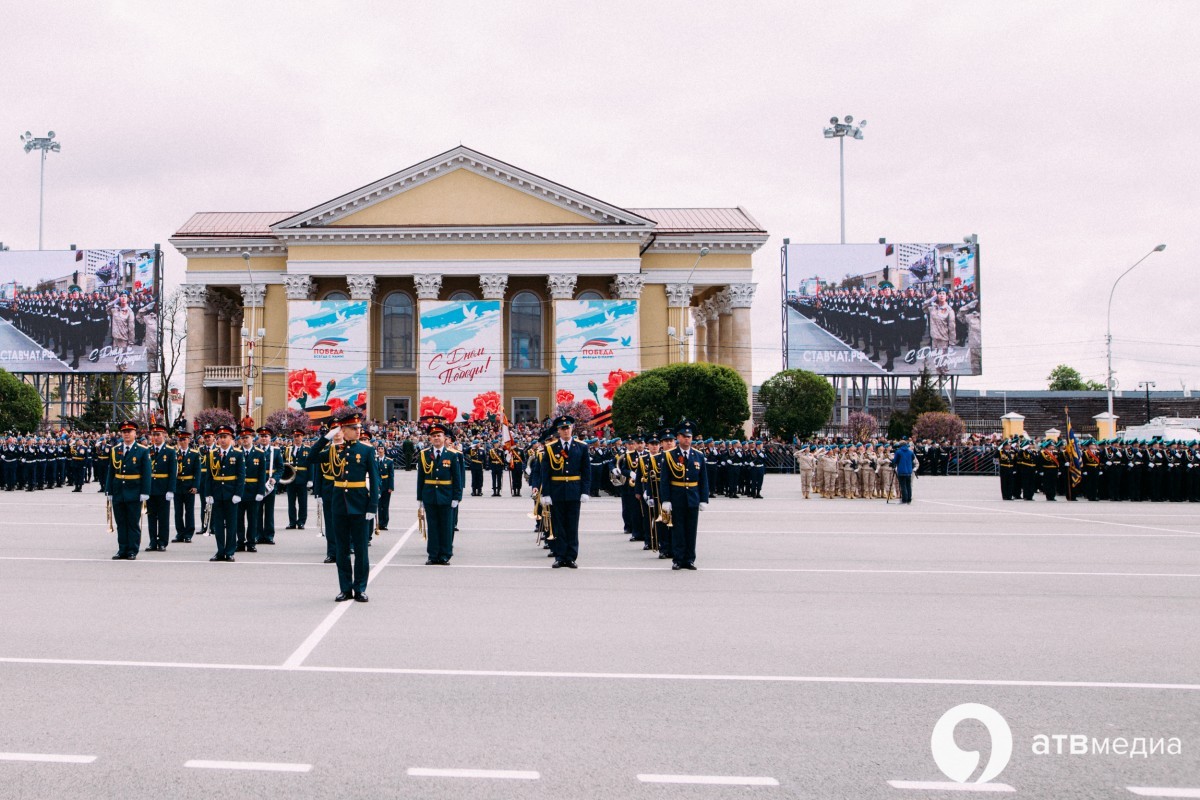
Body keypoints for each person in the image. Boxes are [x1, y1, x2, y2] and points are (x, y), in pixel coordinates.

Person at [308, 413, 379, 602]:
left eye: (358, 428)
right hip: (339, 504)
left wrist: (373, 506)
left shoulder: (366, 450)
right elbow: (310, 457)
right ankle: (345, 588)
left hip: (360, 504)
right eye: (354, 428)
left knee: (361, 549)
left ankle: (360, 588)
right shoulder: (333, 450)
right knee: (342, 549)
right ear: (343, 430)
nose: (358, 431)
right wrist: (326, 438)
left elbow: (374, 478)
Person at [540, 415, 591, 568]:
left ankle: (571, 556)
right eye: (563, 428)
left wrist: (585, 491)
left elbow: (586, 471)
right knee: (558, 525)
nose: (566, 430)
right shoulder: (551, 448)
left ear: (572, 428)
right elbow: (546, 473)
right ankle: (560, 556)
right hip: (557, 490)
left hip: (574, 490)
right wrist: (546, 493)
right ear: (558, 431)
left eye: (568, 427)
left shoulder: (581, 447)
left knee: (572, 525)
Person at [658, 419, 709, 570]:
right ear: (678, 438)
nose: (687, 439)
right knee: (677, 529)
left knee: (691, 530)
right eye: (684, 436)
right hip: (677, 496)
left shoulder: (698, 455)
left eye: (689, 436)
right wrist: (666, 499)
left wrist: (703, 499)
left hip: (693, 497)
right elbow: (664, 480)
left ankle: (690, 559)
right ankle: (678, 559)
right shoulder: (669, 455)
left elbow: (703, 479)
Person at [417, 421, 462, 565]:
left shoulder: (452, 455)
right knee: (433, 526)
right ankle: (433, 555)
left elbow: (457, 478)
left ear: (444, 438)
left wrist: (457, 496)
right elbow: (421, 478)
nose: (436, 438)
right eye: (433, 436)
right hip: (430, 494)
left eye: (439, 435)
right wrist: (420, 498)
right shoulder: (424, 455)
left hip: (446, 495)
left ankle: (445, 554)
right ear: (430, 439)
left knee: (446, 526)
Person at [105, 420, 152, 560]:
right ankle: (122, 549)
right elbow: (111, 472)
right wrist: (109, 490)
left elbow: (146, 473)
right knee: (121, 522)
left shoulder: (142, 451)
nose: (126, 434)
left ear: (135, 433)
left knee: (132, 523)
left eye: (129, 432)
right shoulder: (115, 450)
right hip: (119, 490)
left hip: (134, 490)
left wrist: (145, 492)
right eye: (124, 432)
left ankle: (132, 550)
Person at [201, 424, 246, 561]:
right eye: (220, 437)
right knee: (218, 525)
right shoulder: (212, 454)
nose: (223, 440)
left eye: (225, 437)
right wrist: (208, 494)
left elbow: (241, 475)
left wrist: (238, 494)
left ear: (231, 438)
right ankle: (220, 551)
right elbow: (209, 476)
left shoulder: (237, 453)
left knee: (232, 525)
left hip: (231, 494)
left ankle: (230, 551)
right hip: (217, 493)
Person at [144, 421, 177, 552]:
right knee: (151, 516)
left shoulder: (170, 451)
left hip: (163, 489)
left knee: (163, 517)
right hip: (151, 488)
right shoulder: (147, 450)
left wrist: (171, 490)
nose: (155, 437)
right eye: (153, 435)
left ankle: (162, 541)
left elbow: (173, 472)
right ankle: (153, 541)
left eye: (158, 434)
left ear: (164, 435)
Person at [256, 426, 284, 545]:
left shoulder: (275, 451)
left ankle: (269, 536)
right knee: (257, 511)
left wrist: (275, 479)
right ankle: (257, 535)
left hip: (270, 484)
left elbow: (281, 468)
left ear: (270, 438)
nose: (263, 438)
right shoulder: (255, 450)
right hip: (257, 484)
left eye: (266, 436)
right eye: (261, 436)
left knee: (269, 511)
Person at [172, 430, 200, 542]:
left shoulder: (194, 454)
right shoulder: (175, 453)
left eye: (184, 439)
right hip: (178, 485)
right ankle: (180, 533)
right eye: (180, 440)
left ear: (188, 440)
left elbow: (197, 472)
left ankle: (188, 534)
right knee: (178, 511)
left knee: (189, 511)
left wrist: (195, 486)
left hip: (189, 485)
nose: (182, 442)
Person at [285, 429, 311, 530]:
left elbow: (310, 465)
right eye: (295, 436)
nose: (297, 438)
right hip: (291, 479)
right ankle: (292, 522)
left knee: (302, 502)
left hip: (302, 479)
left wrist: (310, 479)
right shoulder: (288, 449)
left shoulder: (307, 449)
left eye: (299, 436)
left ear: (303, 437)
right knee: (291, 502)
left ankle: (301, 522)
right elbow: (285, 464)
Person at [892, 439, 915, 505]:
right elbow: (913, 458)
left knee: (903, 486)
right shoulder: (910, 452)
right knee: (908, 485)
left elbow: (895, 461)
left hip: (901, 470)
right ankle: (909, 499)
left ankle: (904, 499)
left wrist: (893, 461)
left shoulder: (898, 452)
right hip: (909, 470)